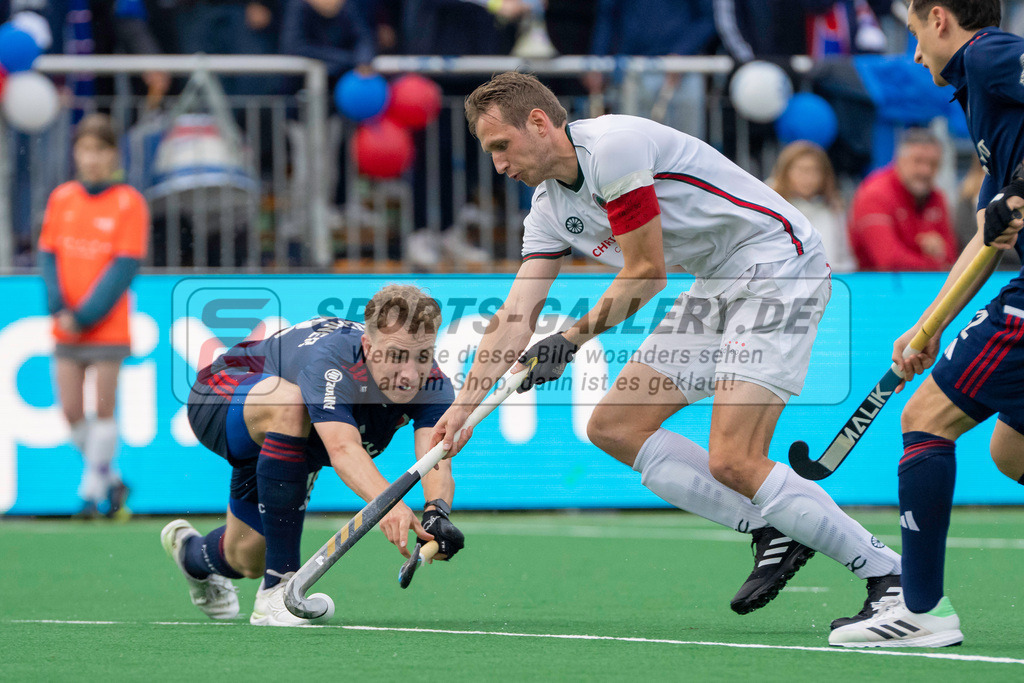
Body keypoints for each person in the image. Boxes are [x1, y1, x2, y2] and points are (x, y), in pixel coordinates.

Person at [432, 71, 903, 631]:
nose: (499, 166)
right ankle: (771, 526)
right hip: (716, 279)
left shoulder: (613, 148)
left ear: (539, 122)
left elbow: (647, 274)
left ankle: (891, 578)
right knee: (615, 426)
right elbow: (514, 318)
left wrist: (571, 340)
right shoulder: (548, 208)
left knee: (734, 457)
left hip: (780, 264)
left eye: (501, 147)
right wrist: (461, 407)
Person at [830, 0, 1024, 648]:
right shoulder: (983, 96)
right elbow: (988, 236)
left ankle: (920, 609)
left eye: (914, 33)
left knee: (926, 417)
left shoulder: (991, 55)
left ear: (939, 18)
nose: (914, 54)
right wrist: (929, 325)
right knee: (1011, 451)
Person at [161, 285, 464, 626]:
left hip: (289, 437)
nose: (410, 373)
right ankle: (279, 587)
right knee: (291, 404)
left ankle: (192, 554)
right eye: (396, 356)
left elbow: (435, 456)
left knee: (245, 558)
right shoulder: (333, 360)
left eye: (422, 356)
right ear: (368, 347)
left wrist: (437, 512)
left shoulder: (432, 383)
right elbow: (343, 449)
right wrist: (388, 504)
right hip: (223, 396)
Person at [38, 113, 149, 520]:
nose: (91, 158)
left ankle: (88, 495)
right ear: (75, 153)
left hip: (106, 325)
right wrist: (58, 305)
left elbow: (123, 267)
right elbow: (48, 254)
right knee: (69, 410)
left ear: (113, 154)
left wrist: (85, 314)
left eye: (99, 150)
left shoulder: (128, 202)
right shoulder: (62, 197)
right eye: (84, 149)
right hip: (66, 323)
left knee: (103, 409)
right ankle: (112, 479)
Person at [848, 128, 959, 271]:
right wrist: (936, 263)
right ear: (899, 160)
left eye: (933, 164)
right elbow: (889, 260)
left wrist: (942, 257)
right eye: (918, 161)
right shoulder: (874, 194)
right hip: (876, 288)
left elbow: (951, 255)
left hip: (923, 285)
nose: (926, 170)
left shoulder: (937, 197)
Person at [769, 140, 856, 273]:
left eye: (815, 170)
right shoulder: (769, 207)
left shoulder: (833, 208)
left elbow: (844, 257)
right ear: (785, 171)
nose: (808, 177)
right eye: (802, 170)